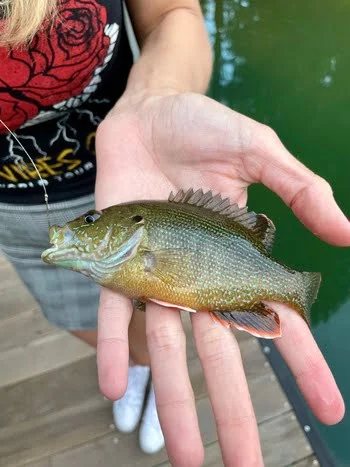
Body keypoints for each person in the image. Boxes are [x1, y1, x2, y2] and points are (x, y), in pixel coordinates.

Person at [0, 0, 349, 464]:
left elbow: (173, 14)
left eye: (90, 229)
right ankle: (140, 370)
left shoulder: (126, 228)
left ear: (131, 229)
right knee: (79, 319)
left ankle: (149, 379)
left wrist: (155, 93)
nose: (82, 231)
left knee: (146, 324)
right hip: (8, 215)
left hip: (115, 172)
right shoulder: (120, 250)